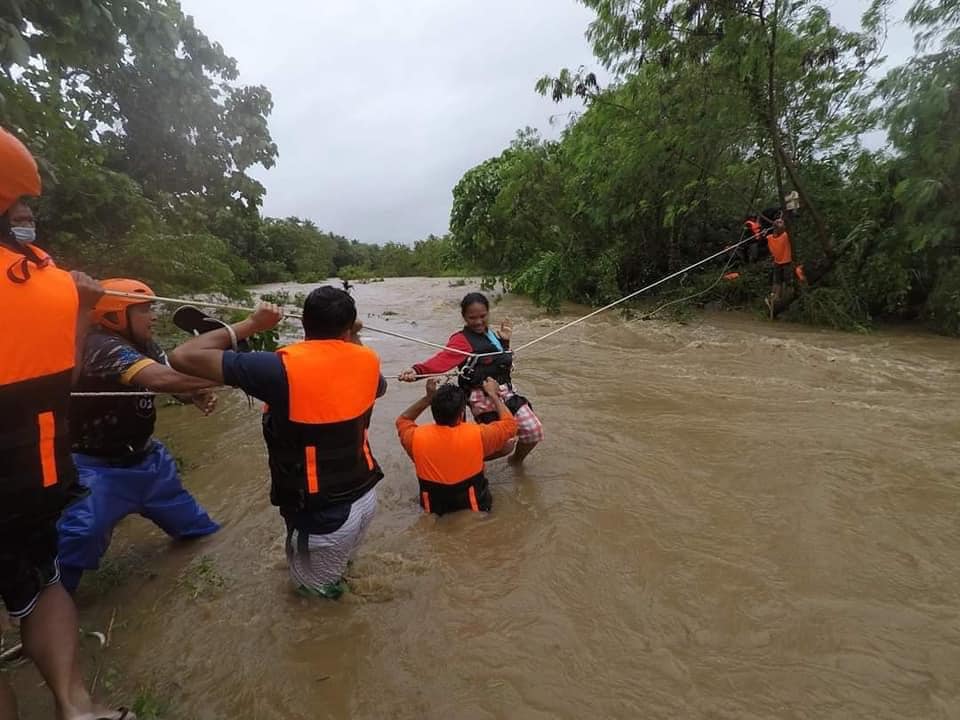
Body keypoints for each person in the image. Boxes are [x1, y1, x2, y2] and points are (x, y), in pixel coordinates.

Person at [0, 127, 133, 719]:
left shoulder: (48, 288)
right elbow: (66, 370)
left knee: (45, 581)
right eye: (20, 205)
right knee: (43, 584)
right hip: (35, 476)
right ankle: (75, 707)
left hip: (32, 481)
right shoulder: (50, 288)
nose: (28, 215)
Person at [168, 287, 386, 599]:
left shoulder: (277, 369)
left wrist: (253, 324)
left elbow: (182, 357)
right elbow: (375, 387)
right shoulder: (368, 361)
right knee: (338, 572)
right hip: (363, 499)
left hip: (322, 515)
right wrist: (353, 336)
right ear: (349, 329)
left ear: (305, 324)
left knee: (314, 603)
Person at [56, 279, 221, 593]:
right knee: (79, 537)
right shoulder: (100, 345)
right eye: (145, 310)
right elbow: (158, 377)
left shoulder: (146, 345)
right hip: (97, 469)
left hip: (149, 463)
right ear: (116, 316)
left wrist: (193, 395)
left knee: (201, 531)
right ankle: (44, 607)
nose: (153, 316)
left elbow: (162, 380)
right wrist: (234, 372)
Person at [398, 292, 543, 465]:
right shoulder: (461, 341)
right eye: (472, 318)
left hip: (505, 391)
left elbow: (498, 362)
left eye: (483, 316)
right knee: (504, 444)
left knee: (534, 431)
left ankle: (515, 462)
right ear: (464, 317)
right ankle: (464, 459)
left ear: (489, 313)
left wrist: (505, 343)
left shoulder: (493, 335)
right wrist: (416, 371)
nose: (479, 322)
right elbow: (441, 360)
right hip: (481, 397)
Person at [396, 377, 517, 516]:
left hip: (433, 508)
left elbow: (403, 419)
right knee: (507, 446)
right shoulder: (479, 434)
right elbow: (510, 425)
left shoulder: (414, 437)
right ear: (461, 414)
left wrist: (428, 398)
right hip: (475, 506)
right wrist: (494, 395)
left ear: (433, 411)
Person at [765, 216, 794, 315]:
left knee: (784, 282)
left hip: (785, 262)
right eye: (780, 222)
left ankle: (782, 300)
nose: (782, 223)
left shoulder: (784, 235)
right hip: (780, 262)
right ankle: (775, 299)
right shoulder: (775, 237)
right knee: (778, 282)